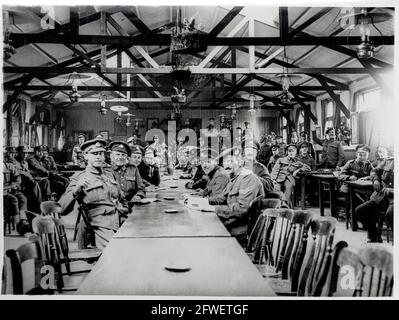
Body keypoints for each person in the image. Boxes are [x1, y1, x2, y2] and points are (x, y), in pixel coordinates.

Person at [59, 139, 129, 250]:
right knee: (115, 251)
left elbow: (122, 198)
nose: (98, 157)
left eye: (101, 153)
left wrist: (124, 209)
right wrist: (76, 190)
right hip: (100, 224)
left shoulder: (109, 175)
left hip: (121, 218)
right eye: (94, 154)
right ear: (86, 156)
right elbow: (62, 208)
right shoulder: (80, 177)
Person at [208, 153, 264, 246]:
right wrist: (204, 202)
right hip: (231, 221)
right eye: (225, 162)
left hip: (240, 228)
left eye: (230, 161)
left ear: (240, 163)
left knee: (203, 227)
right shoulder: (235, 177)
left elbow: (242, 209)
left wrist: (215, 209)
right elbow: (223, 197)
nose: (227, 165)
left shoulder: (248, 179)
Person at [355, 155, 394, 242]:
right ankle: (374, 236)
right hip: (381, 197)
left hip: (393, 200)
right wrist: (376, 179)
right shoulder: (389, 161)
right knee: (360, 210)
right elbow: (374, 171)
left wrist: (393, 190)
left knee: (390, 215)